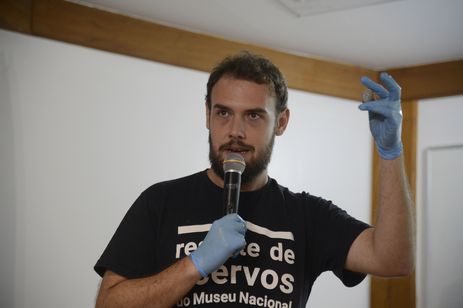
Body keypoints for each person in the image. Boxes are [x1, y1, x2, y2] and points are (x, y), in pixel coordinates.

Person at [94, 51, 415, 308]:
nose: (235, 131)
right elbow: (109, 304)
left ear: (281, 121)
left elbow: (393, 259)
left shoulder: (306, 214)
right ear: (207, 115)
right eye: (223, 113)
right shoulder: (161, 201)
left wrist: (391, 153)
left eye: (253, 115)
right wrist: (195, 264)